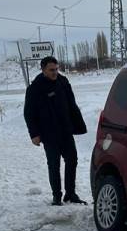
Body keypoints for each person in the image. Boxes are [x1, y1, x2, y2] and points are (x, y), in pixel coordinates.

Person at [23, 56, 88, 205]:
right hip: (48, 133)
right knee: (54, 165)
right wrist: (34, 134)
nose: (55, 73)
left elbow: (72, 104)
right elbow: (29, 113)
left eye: (57, 69)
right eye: (51, 70)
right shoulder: (35, 88)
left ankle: (70, 194)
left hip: (65, 130)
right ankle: (57, 197)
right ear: (43, 70)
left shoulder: (63, 82)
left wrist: (78, 125)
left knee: (72, 160)